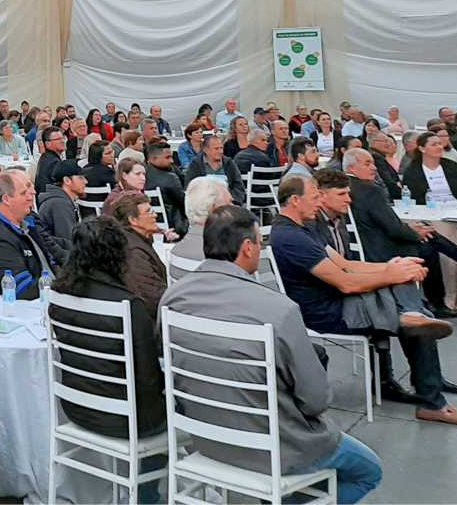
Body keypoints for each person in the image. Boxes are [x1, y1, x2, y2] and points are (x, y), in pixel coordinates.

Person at [160, 206, 384, 504]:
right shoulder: (278, 309)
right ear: (248, 247)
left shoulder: (173, 298)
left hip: (207, 439)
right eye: (260, 242)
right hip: (277, 448)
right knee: (368, 470)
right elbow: (316, 400)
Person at [270, 175, 457, 426]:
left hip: (340, 301)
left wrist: (392, 267)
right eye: (314, 198)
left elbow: (346, 265)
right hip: (330, 313)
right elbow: (345, 282)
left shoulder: (303, 228)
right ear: (295, 200)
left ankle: (413, 323)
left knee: (407, 288)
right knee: (417, 319)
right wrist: (393, 274)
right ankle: (433, 402)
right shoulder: (292, 238)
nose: (319, 203)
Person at [50, 217, 165, 500]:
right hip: (123, 418)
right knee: (184, 407)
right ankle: (148, 495)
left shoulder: (60, 294)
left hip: (76, 406)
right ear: (117, 255)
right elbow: (148, 379)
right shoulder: (127, 305)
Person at [343, 148, 457, 317]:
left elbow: (385, 223)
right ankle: (442, 297)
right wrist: (416, 234)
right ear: (352, 168)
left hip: (364, 243)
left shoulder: (347, 187)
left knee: (425, 232)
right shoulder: (370, 190)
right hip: (379, 247)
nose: (374, 168)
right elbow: (394, 229)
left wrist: (413, 230)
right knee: (427, 244)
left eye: (373, 163)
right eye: (367, 164)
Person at [0, 170, 61, 296]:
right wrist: (66, 287)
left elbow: (50, 262)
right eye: (23, 193)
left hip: (52, 290)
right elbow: (22, 289)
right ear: (6, 199)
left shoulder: (26, 223)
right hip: (36, 301)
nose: (31, 195)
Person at [109, 191, 169, 313]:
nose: (155, 215)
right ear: (133, 220)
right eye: (148, 212)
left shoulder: (134, 240)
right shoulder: (134, 253)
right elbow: (153, 297)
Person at [167, 176, 231, 280]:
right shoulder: (229, 254)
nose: (235, 207)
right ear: (214, 209)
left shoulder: (175, 252)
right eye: (230, 203)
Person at [403, 132, 457, 207]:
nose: (439, 147)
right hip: (428, 209)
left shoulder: (452, 166)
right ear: (422, 148)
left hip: (456, 207)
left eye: (440, 144)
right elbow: (413, 198)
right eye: (434, 145)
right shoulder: (412, 171)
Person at [37, 160, 87, 260]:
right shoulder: (60, 204)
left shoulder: (60, 200)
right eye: (80, 178)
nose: (86, 181)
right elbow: (69, 242)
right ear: (67, 180)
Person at [183, 131, 246, 205]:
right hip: (204, 204)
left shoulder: (229, 163)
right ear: (205, 150)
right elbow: (190, 187)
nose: (220, 151)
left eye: (221, 148)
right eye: (216, 149)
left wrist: (233, 201)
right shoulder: (196, 164)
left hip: (228, 203)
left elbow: (238, 186)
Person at [144, 141, 188, 235]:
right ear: (153, 159)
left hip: (150, 224)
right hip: (175, 224)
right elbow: (184, 202)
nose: (172, 161)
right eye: (167, 157)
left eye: (171, 157)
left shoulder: (142, 175)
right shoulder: (170, 178)